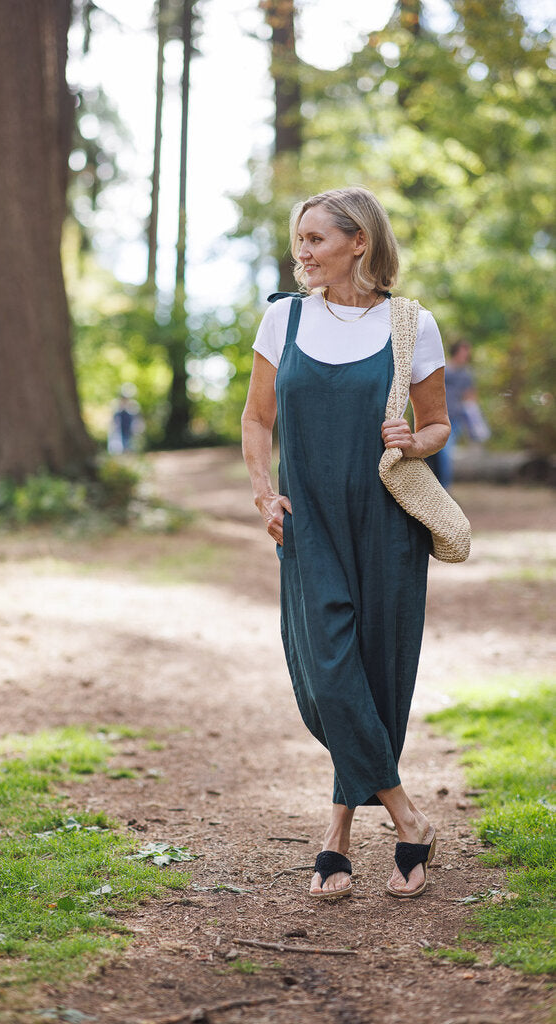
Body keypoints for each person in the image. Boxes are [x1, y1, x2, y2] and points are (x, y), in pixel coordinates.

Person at [241, 186, 451, 900]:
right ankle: (407, 818)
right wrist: (262, 495)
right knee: (325, 673)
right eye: (297, 241)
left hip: (387, 522)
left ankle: (334, 838)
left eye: (314, 240)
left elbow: (437, 425)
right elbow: (254, 422)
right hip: (310, 521)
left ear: (357, 242)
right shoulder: (282, 318)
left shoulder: (410, 324)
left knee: (375, 676)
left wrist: (411, 438)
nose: (300, 253)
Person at [431, 340, 489, 488]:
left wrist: (475, 422)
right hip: (437, 418)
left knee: (445, 454)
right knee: (437, 454)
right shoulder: (443, 370)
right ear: (455, 352)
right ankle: (438, 487)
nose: (466, 356)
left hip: (455, 420)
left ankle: (444, 488)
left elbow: (470, 397)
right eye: (463, 352)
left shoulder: (466, 374)